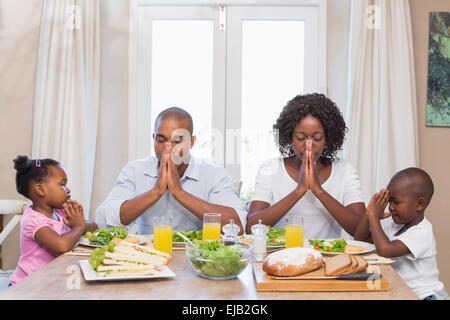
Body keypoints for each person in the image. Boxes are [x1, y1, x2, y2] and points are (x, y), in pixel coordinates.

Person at [95, 107, 246, 235]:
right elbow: (102, 221)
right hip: (147, 257)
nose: (168, 148)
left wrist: (179, 193)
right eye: (161, 140)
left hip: (195, 258)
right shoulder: (134, 171)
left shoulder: (214, 174)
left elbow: (237, 227)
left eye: (177, 141)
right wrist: (155, 191)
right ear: (154, 139)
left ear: (191, 142)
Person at [246, 93, 365, 238]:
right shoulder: (270, 168)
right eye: (300, 138)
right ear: (290, 136)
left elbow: (362, 231)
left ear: (328, 137)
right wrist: (299, 190)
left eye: (317, 138)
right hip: (282, 256)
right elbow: (251, 227)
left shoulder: (344, 170)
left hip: (327, 258)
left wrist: (318, 191)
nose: (308, 145)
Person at [354, 167, 448, 300]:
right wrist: (369, 213)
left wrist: (374, 217)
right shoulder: (395, 225)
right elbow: (360, 239)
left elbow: (385, 250)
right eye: (389, 201)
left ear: (419, 204)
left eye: (396, 202)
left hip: (425, 296)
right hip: (402, 293)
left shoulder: (422, 231)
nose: (390, 207)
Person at [9, 155, 98, 286]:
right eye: (62, 184)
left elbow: (94, 227)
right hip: (27, 286)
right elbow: (61, 245)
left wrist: (79, 222)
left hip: (53, 282)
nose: (68, 190)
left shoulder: (60, 212)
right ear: (40, 190)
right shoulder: (33, 221)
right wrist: (78, 227)